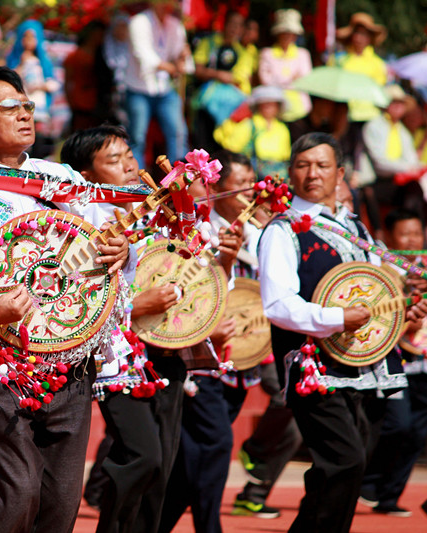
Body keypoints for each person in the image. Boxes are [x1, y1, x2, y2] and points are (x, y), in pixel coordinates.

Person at [0, 65, 131, 533]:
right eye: (10, 107)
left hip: (70, 358)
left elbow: (105, 245)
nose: (25, 115)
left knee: (61, 502)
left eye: (28, 105)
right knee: (15, 494)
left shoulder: (59, 178)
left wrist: (120, 250)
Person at [258, 132, 427, 533]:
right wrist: (336, 318)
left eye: (321, 165)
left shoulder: (354, 227)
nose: (311, 174)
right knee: (345, 461)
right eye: (302, 165)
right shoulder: (282, 231)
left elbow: (375, 293)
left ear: (340, 173)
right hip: (314, 369)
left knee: (342, 470)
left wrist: (404, 308)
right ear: (290, 173)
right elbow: (278, 305)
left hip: (367, 363)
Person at [60, 124, 187, 533]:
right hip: (115, 353)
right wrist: (136, 306)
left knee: (163, 464)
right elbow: (75, 295)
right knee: (141, 455)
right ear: (87, 174)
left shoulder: (154, 209)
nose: (130, 164)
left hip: (164, 347)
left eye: (129, 154)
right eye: (113, 160)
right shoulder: (80, 219)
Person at [158, 151, 257, 533]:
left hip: (213, 356)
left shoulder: (206, 230)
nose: (206, 188)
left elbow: (217, 290)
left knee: (190, 455)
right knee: (212, 444)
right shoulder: (162, 229)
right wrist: (202, 328)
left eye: (207, 180)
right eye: (197, 179)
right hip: (178, 355)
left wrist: (228, 262)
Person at [359, 209, 427, 517]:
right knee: (398, 423)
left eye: (415, 233)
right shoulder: (381, 267)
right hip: (395, 356)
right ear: (388, 237)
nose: (411, 239)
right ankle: (368, 482)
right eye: (404, 234)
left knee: (419, 432)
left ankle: (390, 495)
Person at [125, 0, 189, 167]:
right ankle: (137, 183)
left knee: (178, 133)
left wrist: (182, 57)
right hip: (138, 88)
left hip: (164, 88)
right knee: (138, 137)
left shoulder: (175, 25)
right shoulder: (139, 22)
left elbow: (177, 55)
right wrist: (170, 67)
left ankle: (178, 177)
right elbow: (143, 54)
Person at [356, 84, 422, 234]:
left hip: (396, 181)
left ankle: (413, 230)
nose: (398, 107)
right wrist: (408, 168)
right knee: (368, 192)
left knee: (415, 189)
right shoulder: (373, 126)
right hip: (375, 181)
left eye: (401, 103)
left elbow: (411, 159)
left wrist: (415, 168)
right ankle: (380, 234)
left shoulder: (403, 132)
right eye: (394, 102)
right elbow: (380, 164)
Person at [192, 10, 253, 151]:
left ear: (242, 29)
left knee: (223, 148)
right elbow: (197, 70)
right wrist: (219, 74)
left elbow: (239, 80)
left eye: (238, 25)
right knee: (203, 145)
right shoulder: (208, 43)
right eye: (232, 24)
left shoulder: (244, 52)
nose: (234, 28)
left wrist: (212, 73)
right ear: (224, 24)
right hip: (206, 104)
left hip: (230, 109)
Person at [6, 20, 60, 157]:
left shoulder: (42, 61)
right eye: (26, 37)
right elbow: (10, 78)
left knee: (38, 136)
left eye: (32, 37)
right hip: (21, 104)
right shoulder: (16, 60)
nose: (28, 41)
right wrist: (22, 64)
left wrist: (41, 86)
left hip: (38, 105)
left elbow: (53, 82)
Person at [214, 86, 291, 178]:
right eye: (264, 103)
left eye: (272, 104)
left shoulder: (282, 128)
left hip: (277, 176)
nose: (267, 107)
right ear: (258, 105)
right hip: (253, 176)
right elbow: (231, 150)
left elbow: (285, 156)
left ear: (278, 106)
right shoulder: (248, 124)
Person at [329, 12, 388, 124]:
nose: (358, 38)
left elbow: (378, 92)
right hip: (343, 116)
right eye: (356, 33)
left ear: (370, 38)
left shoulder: (378, 64)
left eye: (363, 34)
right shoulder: (339, 60)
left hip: (369, 117)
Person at [257, 9, 312, 122]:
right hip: (275, 113)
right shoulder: (267, 54)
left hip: (300, 111)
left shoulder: (303, 54)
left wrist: (278, 81)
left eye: (290, 32)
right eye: (284, 32)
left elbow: (306, 81)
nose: (287, 36)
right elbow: (266, 81)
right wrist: (292, 79)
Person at [63, 21, 113, 132]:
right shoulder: (75, 57)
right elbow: (68, 83)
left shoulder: (105, 56)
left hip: (101, 105)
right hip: (81, 105)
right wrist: (72, 103)